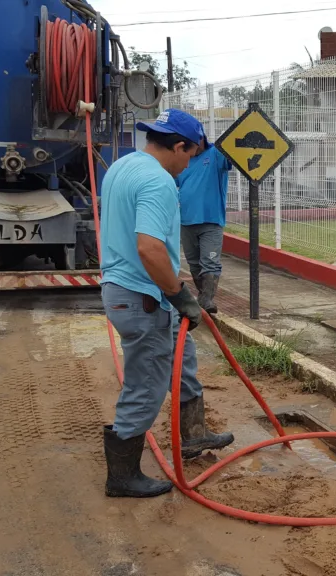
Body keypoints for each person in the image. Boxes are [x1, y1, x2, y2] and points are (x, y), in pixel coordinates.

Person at [100, 109, 235, 499]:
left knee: (183, 356)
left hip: (133, 291)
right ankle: (122, 476)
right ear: (178, 146)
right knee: (146, 384)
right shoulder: (158, 181)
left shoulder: (122, 167)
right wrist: (180, 296)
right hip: (143, 297)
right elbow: (150, 247)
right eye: (190, 154)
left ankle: (193, 435)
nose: (189, 163)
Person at [178, 131, 232, 315]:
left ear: (202, 138)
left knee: (210, 262)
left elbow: (231, 154)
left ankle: (208, 298)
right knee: (193, 263)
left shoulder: (216, 154)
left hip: (211, 220)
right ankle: (203, 297)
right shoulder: (185, 159)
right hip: (186, 220)